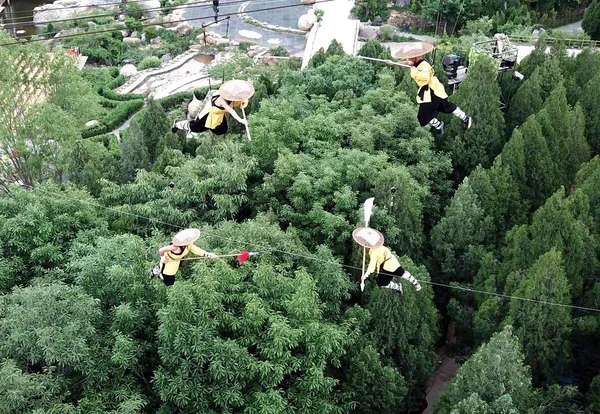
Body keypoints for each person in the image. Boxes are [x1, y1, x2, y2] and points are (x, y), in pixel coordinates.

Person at [385, 44, 472, 137]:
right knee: (445, 107)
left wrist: (413, 71)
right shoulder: (417, 63)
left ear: (416, 57)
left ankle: (438, 124)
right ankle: (465, 118)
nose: (409, 59)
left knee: (422, 117)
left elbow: (425, 77)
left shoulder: (423, 66)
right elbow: (408, 63)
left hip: (431, 92)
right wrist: (393, 63)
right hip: (437, 89)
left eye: (411, 57)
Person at [352, 227, 422, 293]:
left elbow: (372, 265)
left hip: (387, 267)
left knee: (381, 282)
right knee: (402, 273)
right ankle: (415, 283)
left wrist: (365, 275)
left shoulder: (374, 251)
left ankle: (398, 286)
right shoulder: (380, 247)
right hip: (393, 262)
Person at [150, 228, 217, 286]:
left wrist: (208, 254)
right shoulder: (174, 247)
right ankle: (158, 273)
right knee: (169, 280)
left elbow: (197, 250)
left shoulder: (189, 245)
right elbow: (161, 250)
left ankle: (158, 270)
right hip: (169, 262)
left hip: (178, 260)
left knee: (177, 269)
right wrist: (162, 258)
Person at [171, 90, 249, 137]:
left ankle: (211, 127)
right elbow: (230, 110)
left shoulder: (231, 98)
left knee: (222, 130)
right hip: (208, 116)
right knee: (194, 127)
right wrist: (241, 120)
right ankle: (177, 124)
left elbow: (236, 103)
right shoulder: (222, 99)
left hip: (218, 116)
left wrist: (242, 101)